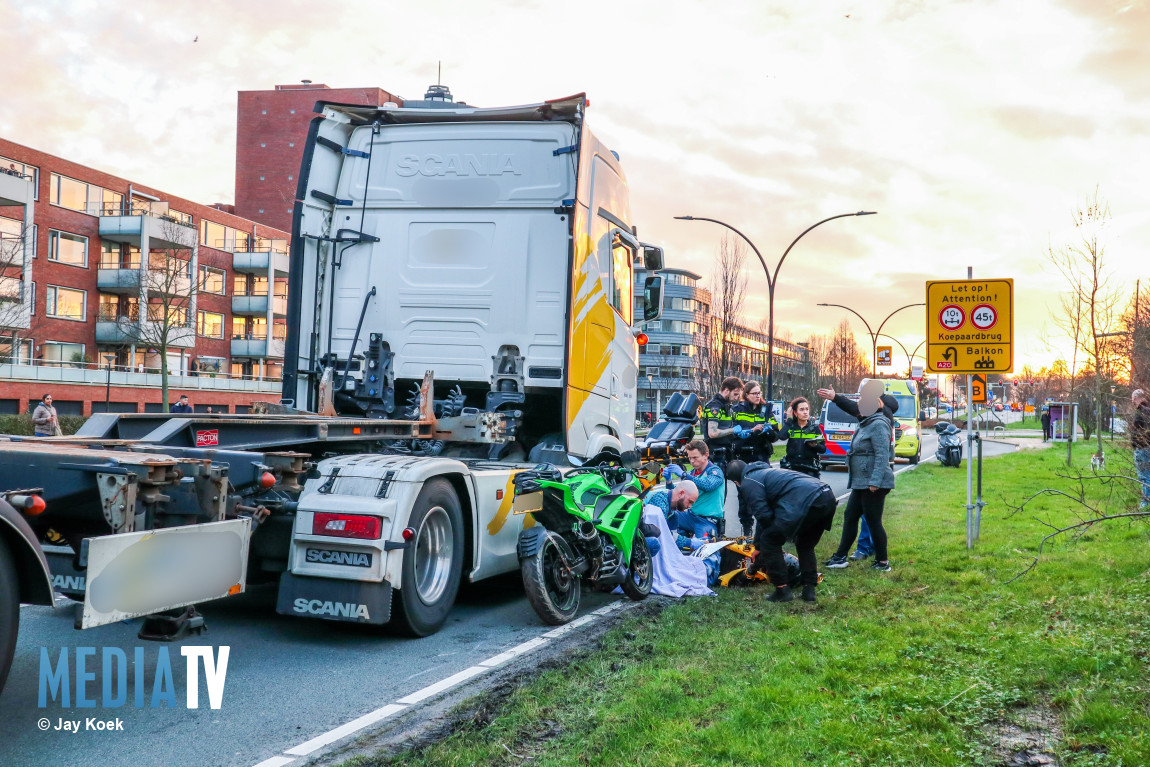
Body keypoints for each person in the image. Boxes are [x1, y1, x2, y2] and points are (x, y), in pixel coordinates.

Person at [726, 460, 838, 603]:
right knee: (805, 545)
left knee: (770, 542)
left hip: (806, 501)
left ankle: (782, 590)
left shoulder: (748, 482)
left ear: (736, 482)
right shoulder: (766, 472)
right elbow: (765, 517)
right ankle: (809, 591)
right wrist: (757, 546)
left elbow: (763, 516)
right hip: (826, 495)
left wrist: (762, 545)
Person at [818, 380, 896, 571]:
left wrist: (875, 481)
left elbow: (882, 456)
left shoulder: (878, 424)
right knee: (850, 515)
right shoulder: (866, 422)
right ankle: (840, 557)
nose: (857, 409)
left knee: (873, 520)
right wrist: (835, 397)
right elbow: (851, 407)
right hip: (861, 481)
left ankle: (883, 562)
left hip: (873, 482)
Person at [666, 441, 726, 539]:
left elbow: (708, 485)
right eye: (689, 458)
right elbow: (677, 496)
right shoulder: (692, 473)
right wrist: (668, 481)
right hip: (690, 516)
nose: (692, 461)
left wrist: (684, 475)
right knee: (664, 515)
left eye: (695, 457)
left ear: (705, 455)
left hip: (707, 520)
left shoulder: (715, 472)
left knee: (705, 549)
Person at [732, 380, 780, 464]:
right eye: (754, 393)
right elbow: (733, 434)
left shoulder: (766, 410)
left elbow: (776, 435)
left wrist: (768, 431)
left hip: (762, 456)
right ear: (746, 395)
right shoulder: (737, 410)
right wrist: (752, 430)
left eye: (759, 393)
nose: (758, 396)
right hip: (743, 456)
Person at [779, 396, 826, 478]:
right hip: (792, 468)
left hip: (809, 468)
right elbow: (781, 436)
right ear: (795, 413)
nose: (805, 412)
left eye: (807, 409)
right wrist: (789, 420)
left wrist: (815, 446)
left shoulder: (814, 428)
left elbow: (823, 449)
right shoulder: (791, 427)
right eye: (801, 409)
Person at [702, 377, 743, 469]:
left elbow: (726, 426)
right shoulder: (714, 406)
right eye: (735, 394)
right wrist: (733, 430)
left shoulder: (726, 406)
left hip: (725, 452)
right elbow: (712, 433)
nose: (736, 398)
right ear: (727, 390)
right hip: (715, 453)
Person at [1131, 389, 1150, 510]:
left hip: (1143, 448)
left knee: (1144, 476)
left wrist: (1134, 443)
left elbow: (1136, 431)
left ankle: (1146, 503)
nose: (1132, 401)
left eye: (1133, 399)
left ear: (1136, 398)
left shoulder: (1141, 412)